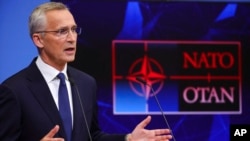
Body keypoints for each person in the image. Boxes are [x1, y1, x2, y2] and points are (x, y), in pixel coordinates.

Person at [0, 2, 173, 141]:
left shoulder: (86, 83)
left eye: (74, 30)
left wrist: (128, 139)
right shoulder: (14, 90)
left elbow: (92, 136)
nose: (72, 38)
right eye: (62, 31)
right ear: (38, 39)